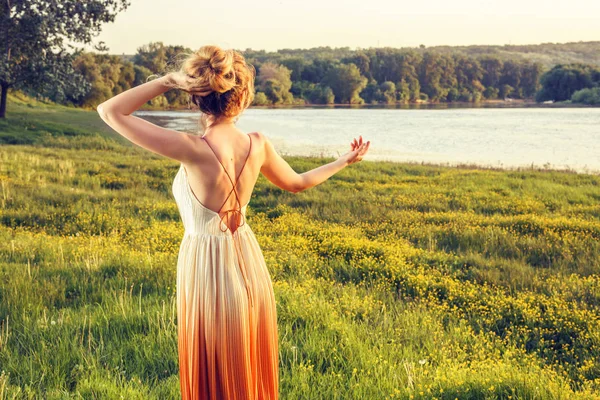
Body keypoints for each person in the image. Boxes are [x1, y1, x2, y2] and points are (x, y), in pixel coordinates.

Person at [97, 44, 370, 400]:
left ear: (196, 99)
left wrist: (168, 81)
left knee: (215, 374)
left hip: (207, 270)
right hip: (250, 266)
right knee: (246, 372)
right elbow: (298, 183)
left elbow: (109, 111)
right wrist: (343, 161)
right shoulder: (258, 145)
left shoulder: (191, 148)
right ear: (243, 98)